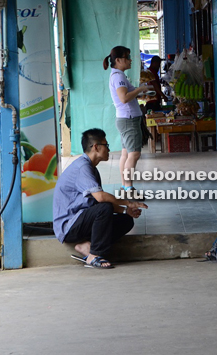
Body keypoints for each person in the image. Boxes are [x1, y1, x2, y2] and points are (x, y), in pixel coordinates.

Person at [53, 128, 148, 269]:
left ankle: (86, 246)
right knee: (105, 208)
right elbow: (101, 198)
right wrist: (128, 202)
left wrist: (125, 210)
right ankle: (94, 255)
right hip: (69, 226)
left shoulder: (91, 169)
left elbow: (97, 201)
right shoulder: (82, 167)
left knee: (126, 221)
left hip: (81, 220)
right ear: (96, 147)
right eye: (106, 145)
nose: (109, 149)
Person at [103, 46, 152, 195]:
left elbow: (126, 96)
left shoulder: (118, 75)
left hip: (125, 118)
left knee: (126, 154)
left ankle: (125, 186)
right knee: (134, 154)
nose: (130, 60)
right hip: (129, 119)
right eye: (127, 57)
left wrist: (139, 91)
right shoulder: (118, 77)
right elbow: (124, 98)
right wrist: (140, 89)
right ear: (118, 60)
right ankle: (129, 188)